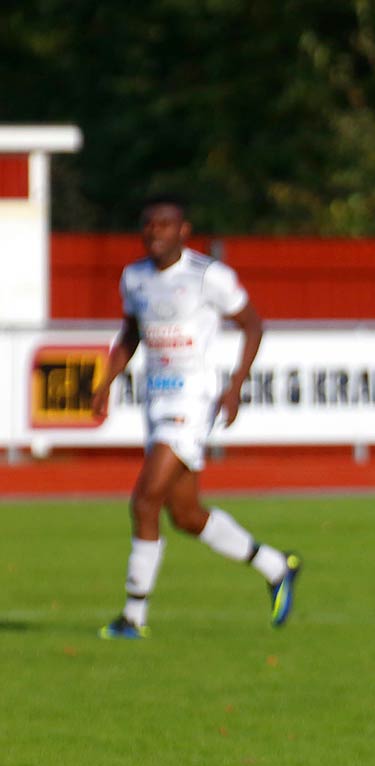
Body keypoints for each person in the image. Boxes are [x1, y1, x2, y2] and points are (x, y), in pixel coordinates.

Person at [89, 194, 300, 639]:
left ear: (184, 231)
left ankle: (133, 616)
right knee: (184, 514)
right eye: (148, 226)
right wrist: (107, 382)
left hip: (193, 402)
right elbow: (131, 333)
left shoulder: (209, 277)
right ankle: (275, 565)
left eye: (165, 225)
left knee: (144, 501)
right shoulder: (135, 278)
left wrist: (236, 384)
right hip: (156, 401)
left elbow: (253, 324)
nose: (155, 233)